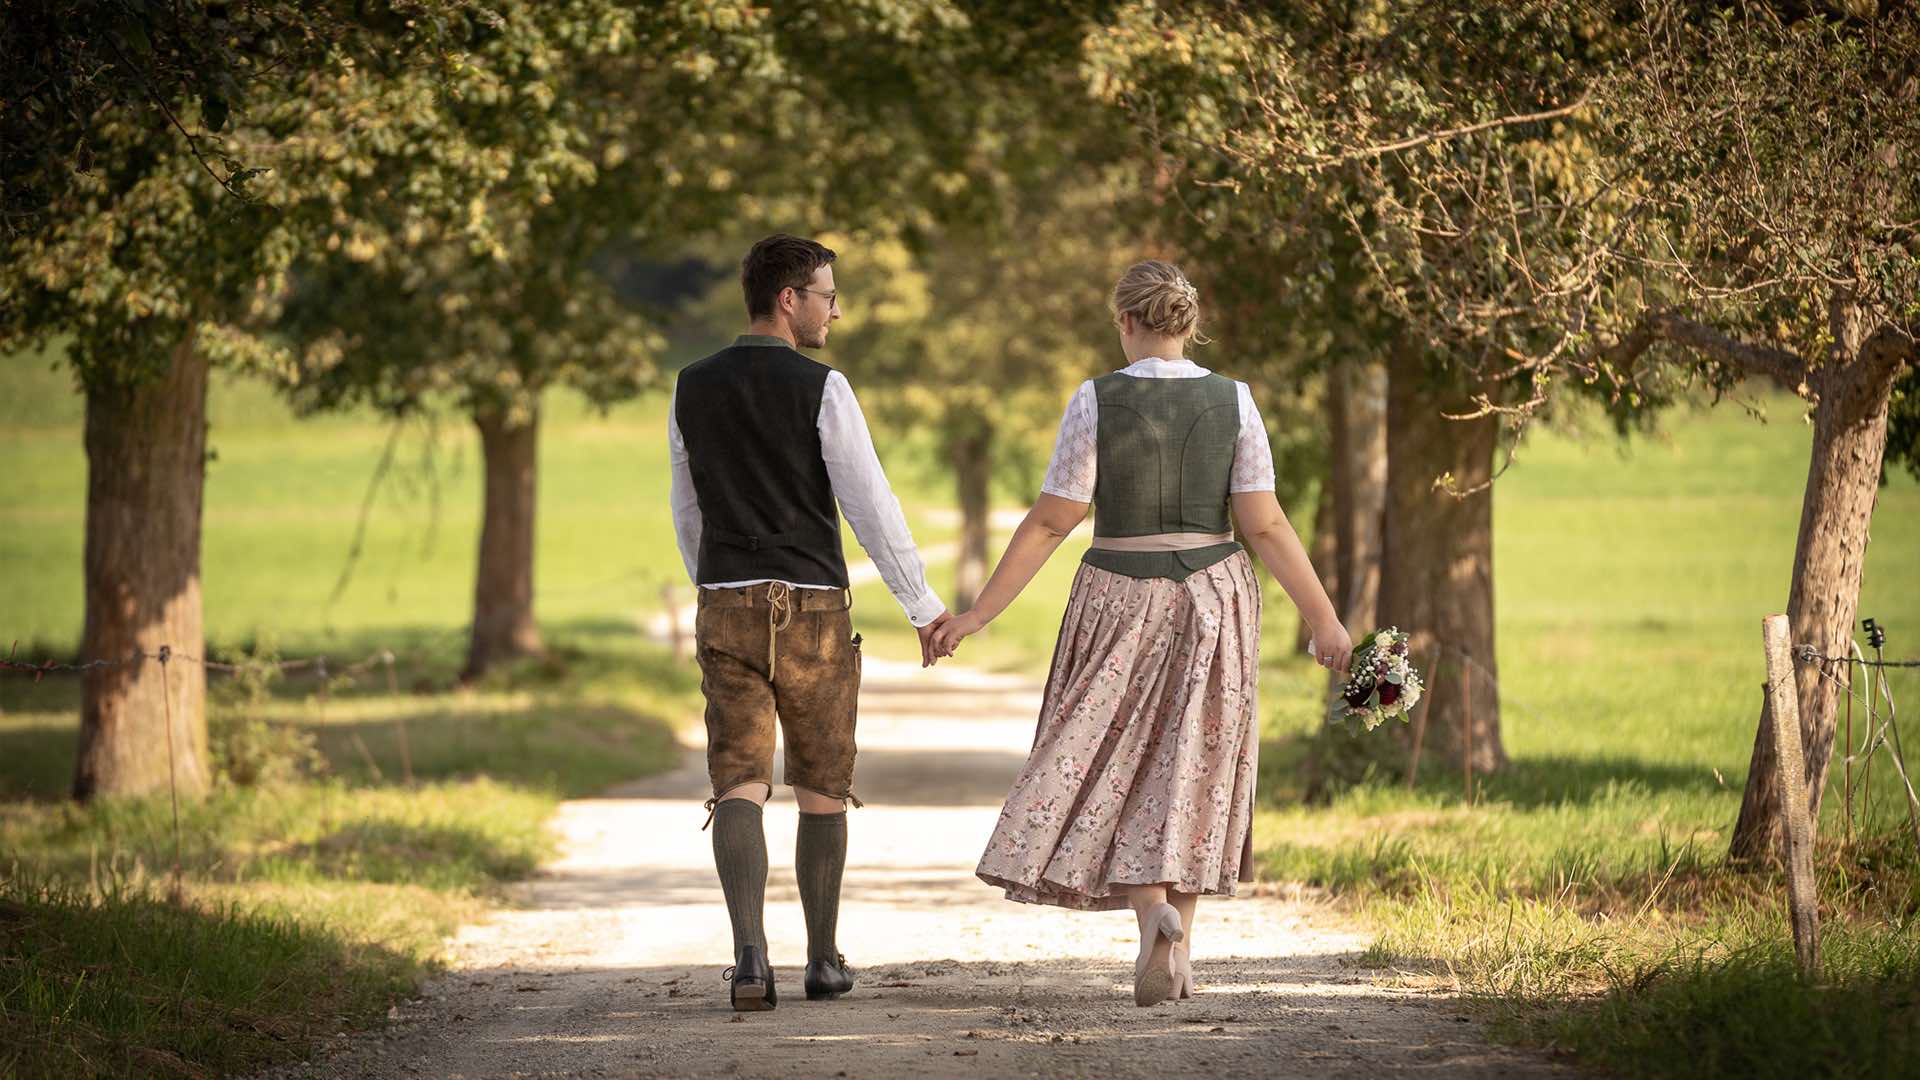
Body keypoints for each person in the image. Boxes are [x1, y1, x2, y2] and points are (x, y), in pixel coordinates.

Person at [931, 259, 1351, 1006]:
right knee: (1193, 760)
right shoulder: (1237, 401)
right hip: (1214, 597)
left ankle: (1151, 914)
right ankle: (1176, 939)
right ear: (1187, 325)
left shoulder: (1095, 399)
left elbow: (1055, 518)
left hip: (1118, 593)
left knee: (1112, 754)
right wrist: (1323, 618)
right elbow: (1265, 522)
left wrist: (977, 614)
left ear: (1125, 321)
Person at [669, 233, 953, 1012]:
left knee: (738, 780)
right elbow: (870, 506)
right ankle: (823, 961)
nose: (835, 309)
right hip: (814, 611)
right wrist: (922, 606)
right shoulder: (823, 388)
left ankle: (751, 961)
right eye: (827, 294)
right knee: (822, 785)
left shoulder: (690, 385)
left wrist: (718, 581)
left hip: (725, 598)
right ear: (789, 300)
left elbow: (687, 507)